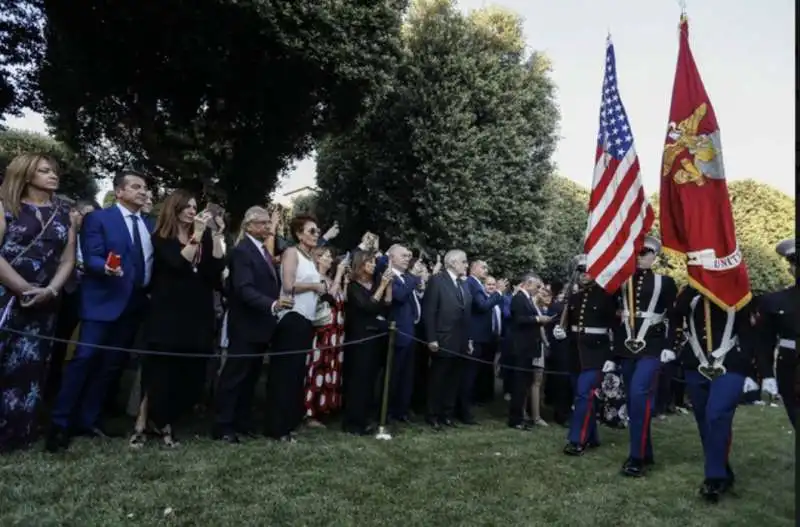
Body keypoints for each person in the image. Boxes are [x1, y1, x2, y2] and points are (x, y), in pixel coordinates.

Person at [47, 170, 153, 452]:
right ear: (119, 192)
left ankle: (89, 420)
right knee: (84, 360)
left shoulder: (149, 223)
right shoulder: (100, 218)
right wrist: (102, 267)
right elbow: (91, 255)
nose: (143, 192)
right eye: (136, 187)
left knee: (110, 365)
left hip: (134, 305)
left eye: (145, 188)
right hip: (102, 301)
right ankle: (60, 424)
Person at [131, 191, 226, 448]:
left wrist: (216, 234)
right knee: (161, 370)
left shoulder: (204, 236)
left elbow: (215, 268)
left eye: (195, 207)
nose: (192, 211)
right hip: (168, 312)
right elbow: (177, 263)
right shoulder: (162, 236)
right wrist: (196, 235)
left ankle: (165, 418)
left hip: (197, 312)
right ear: (175, 209)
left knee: (189, 372)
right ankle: (149, 423)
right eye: (186, 207)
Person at [668, 285, 772, 502]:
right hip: (695, 363)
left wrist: (756, 373)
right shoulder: (690, 291)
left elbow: (752, 335)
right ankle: (722, 469)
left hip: (731, 363)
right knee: (705, 421)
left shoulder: (740, 291)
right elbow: (675, 315)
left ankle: (714, 478)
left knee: (717, 415)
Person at [0, 154, 75, 452]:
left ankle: (17, 433)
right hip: (6, 295)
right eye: (44, 171)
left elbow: (68, 258)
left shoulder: (65, 212)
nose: (53, 176)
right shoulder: (6, 207)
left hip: (44, 300)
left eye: (54, 171)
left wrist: (51, 290)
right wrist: (21, 287)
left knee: (29, 366)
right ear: (26, 175)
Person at [213, 206, 285, 444]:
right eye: (263, 223)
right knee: (234, 376)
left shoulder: (261, 250)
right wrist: (272, 305)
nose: (268, 227)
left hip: (260, 326)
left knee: (251, 377)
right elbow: (243, 289)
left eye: (268, 223)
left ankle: (242, 422)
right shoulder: (242, 251)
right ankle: (223, 425)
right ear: (250, 226)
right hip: (246, 324)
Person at [613, 235, 678, 477]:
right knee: (633, 400)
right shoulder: (623, 281)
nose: (642, 257)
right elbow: (616, 317)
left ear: (654, 256)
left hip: (652, 346)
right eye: (638, 253)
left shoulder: (666, 282)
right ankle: (646, 451)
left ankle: (636, 457)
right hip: (626, 347)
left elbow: (675, 317)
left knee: (639, 394)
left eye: (646, 253)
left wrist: (671, 346)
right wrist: (613, 351)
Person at [265, 214, 324, 442]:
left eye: (317, 231)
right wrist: (314, 285)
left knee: (296, 373)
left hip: (306, 319)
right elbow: (288, 285)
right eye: (311, 230)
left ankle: (288, 423)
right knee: (285, 373)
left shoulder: (310, 257)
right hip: (291, 317)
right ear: (299, 234)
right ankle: (277, 427)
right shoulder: (291, 252)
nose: (315, 234)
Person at [553, 254, 619, 456]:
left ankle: (576, 440)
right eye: (580, 270)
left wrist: (611, 356)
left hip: (596, 353)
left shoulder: (607, 296)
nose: (583, 274)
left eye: (588, 270)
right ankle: (592, 436)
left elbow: (616, 328)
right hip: (575, 352)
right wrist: (561, 332)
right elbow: (567, 322)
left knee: (583, 393)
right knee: (582, 395)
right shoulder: (574, 297)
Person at [44, 199, 97, 405]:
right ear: (74, 212)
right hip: (55, 292)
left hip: (77, 296)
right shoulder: (59, 232)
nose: (88, 221)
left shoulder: (90, 238)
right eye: (86, 215)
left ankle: (53, 390)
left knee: (62, 344)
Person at [342, 250, 392, 435]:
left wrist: (388, 284)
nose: (373, 265)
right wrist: (383, 285)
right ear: (360, 265)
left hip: (375, 335)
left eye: (374, 262)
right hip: (359, 337)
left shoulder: (375, 284)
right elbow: (368, 306)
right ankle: (353, 422)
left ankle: (364, 419)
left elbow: (386, 302)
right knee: (358, 380)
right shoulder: (353, 286)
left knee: (370, 379)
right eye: (369, 262)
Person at [423, 249, 472, 430]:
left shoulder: (463, 284)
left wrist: (468, 340)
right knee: (438, 379)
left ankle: (447, 414)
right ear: (452, 263)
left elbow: (466, 313)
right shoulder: (437, 281)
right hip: (442, 339)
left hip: (460, 340)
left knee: (454, 379)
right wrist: (431, 338)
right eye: (464, 262)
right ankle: (433, 415)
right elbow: (429, 311)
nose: (466, 265)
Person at [303, 246, 347, 427]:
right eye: (327, 256)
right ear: (318, 258)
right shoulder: (316, 278)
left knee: (331, 367)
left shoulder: (330, 278)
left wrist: (345, 281)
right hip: (323, 331)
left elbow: (342, 297)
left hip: (336, 331)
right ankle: (310, 411)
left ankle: (325, 407)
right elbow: (329, 297)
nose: (331, 259)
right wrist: (339, 275)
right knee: (318, 368)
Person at [755, 238, 796, 429]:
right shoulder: (774, 301)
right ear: (791, 269)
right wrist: (767, 375)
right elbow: (764, 341)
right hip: (792, 369)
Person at [507, 274, 549, 430]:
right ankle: (515, 419)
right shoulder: (519, 298)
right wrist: (538, 319)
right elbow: (519, 319)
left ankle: (520, 416)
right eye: (536, 286)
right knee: (519, 384)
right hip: (521, 347)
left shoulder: (527, 299)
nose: (538, 290)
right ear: (527, 284)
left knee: (524, 383)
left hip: (528, 347)